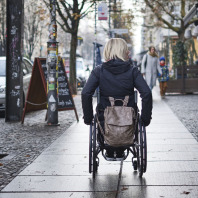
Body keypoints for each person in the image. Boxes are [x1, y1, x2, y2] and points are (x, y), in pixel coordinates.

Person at [81, 38, 152, 158]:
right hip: (129, 120)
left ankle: (109, 146)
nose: (129, 52)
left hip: (105, 120)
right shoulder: (132, 71)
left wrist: (88, 118)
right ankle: (122, 147)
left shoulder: (99, 71)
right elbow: (146, 93)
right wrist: (145, 119)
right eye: (126, 50)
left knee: (101, 115)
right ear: (122, 51)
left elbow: (86, 93)